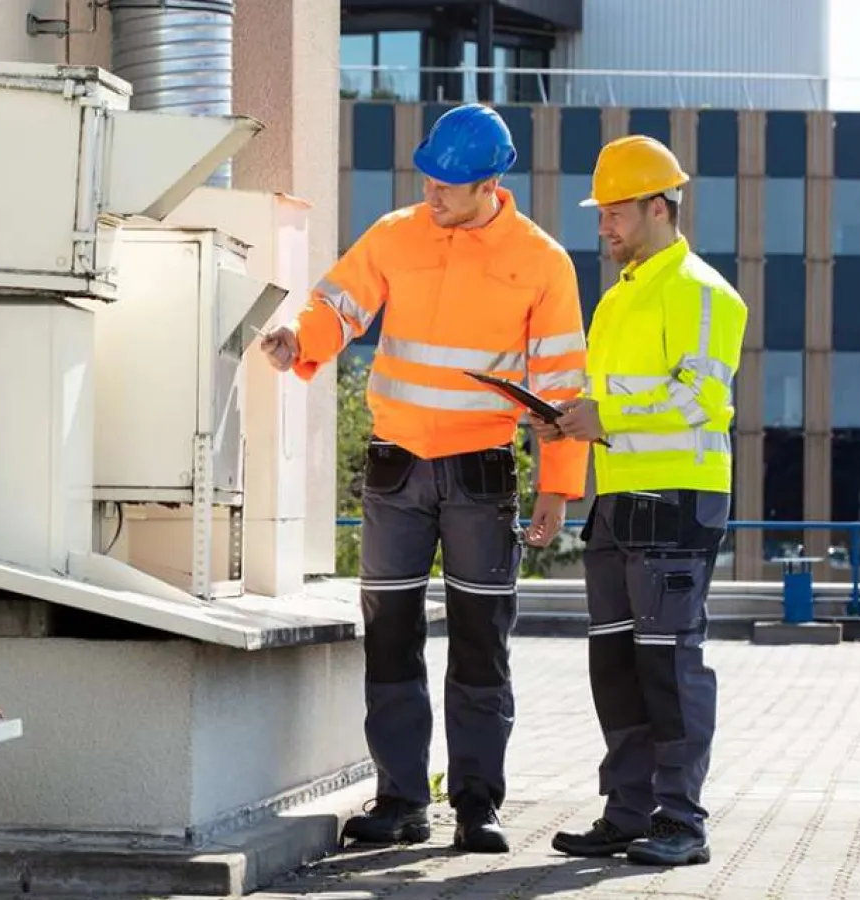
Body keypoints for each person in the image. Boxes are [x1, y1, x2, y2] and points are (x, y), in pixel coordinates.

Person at [260, 103, 589, 854]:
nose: (434, 192)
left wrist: (556, 489)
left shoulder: (541, 262)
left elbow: (563, 387)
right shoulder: (395, 235)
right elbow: (337, 306)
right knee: (391, 640)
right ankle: (402, 800)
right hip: (396, 469)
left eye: (450, 183)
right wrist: (298, 341)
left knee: (481, 645)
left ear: (492, 182)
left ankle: (477, 806)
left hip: (482, 475)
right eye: (429, 177)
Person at [535, 134, 748, 867]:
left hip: (678, 504)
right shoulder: (620, 298)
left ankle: (682, 822)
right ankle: (627, 813)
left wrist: (607, 416)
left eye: (616, 212)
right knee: (616, 666)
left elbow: (703, 401)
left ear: (658, 208)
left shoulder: (702, 292)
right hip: (619, 501)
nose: (604, 226)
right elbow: (612, 400)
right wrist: (567, 416)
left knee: (668, 665)